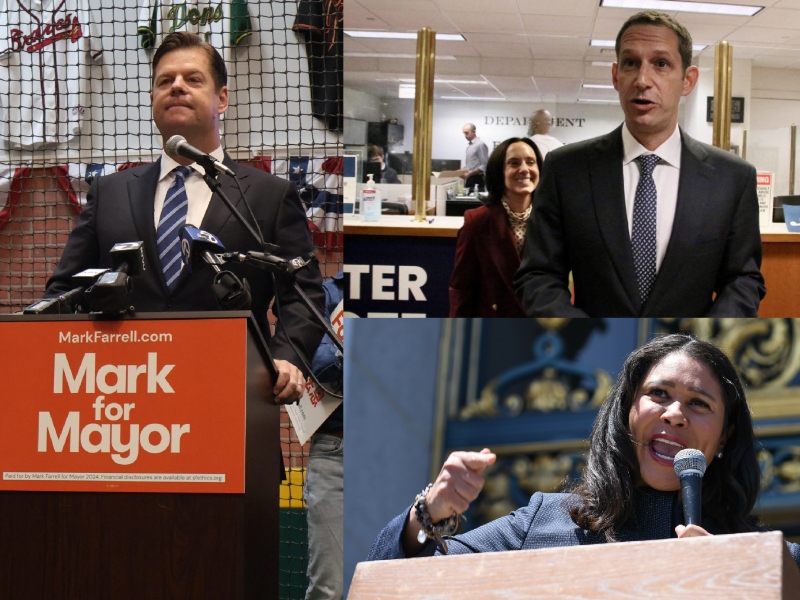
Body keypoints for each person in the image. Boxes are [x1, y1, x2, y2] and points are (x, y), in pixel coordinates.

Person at [44, 31, 325, 403]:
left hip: (232, 394)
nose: (177, 86)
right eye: (165, 81)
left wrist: (287, 357)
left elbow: (302, 294)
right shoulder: (110, 192)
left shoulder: (267, 195)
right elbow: (65, 290)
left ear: (221, 99)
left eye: (193, 79)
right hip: (123, 398)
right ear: (152, 100)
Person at [366, 334, 800, 572]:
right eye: (658, 394)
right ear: (627, 412)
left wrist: (732, 580)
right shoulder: (544, 522)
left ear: (724, 438)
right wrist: (426, 513)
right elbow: (397, 580)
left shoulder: (767, 558)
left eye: (699, 403)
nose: (674, 414)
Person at [514, 11, 765, 318]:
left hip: (689, 357)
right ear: (615, 76)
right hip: (591, 353)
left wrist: (703, 345)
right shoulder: (567, 169)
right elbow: (539, 275)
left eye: (661, 64)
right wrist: (581, 337)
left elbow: (743, 279)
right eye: (631, 63)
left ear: (688, 80)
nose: (643, 80)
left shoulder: (732, 178)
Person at [449, 138, 543, 317]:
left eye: (531, 162)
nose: (524, 169)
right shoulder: (477, 222)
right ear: (499, 172)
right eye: (514, 163)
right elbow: (462, 288)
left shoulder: (552, 220)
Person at [305, 271, 344, 600]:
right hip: (337, 450)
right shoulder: (329, 293)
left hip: (400, 446)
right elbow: (321, 367)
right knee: (329, 589)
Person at [459, 123, 489, 192]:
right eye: (464, 133)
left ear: (474, 132)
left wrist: (469, 173)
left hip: (477, 178)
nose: (465, 136)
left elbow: (484, 165)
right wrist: (458, 172)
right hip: (470, 178)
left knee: (475, 201)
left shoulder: (480, 144)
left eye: (467, 133)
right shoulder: (470, 146)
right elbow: (470, 165)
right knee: (468, 200)